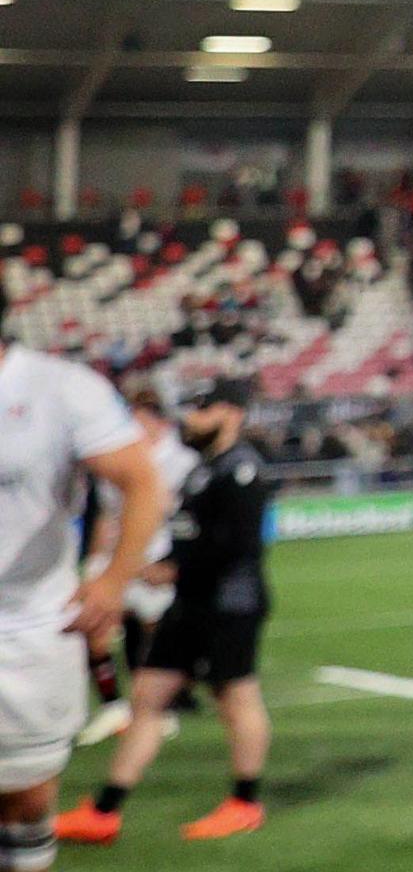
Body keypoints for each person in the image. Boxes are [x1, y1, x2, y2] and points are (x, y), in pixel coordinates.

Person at [55, 379, 269, 844]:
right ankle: (104, 811)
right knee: (147, 699)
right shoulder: (202, 469)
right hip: (189, 602)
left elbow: (235, 547)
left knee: (237, 700)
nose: (190, 418)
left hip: (228, 605)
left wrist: (171, 570)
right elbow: (190, 536)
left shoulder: (243, 469)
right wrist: (164, 568)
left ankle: (245, 803)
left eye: (202, 408)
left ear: (231, 413)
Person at [0, 339, 167, 872]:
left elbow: (141, 481)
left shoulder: (62, 387)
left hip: (25, 628)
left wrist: (113, 581)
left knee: (24, 798)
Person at [73, 385, 199, 749]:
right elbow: (107, 515)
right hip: (118, 557)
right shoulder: (115, 458)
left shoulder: (181, 460)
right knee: (95, 628)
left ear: (157, 420)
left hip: (157, 557)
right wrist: (94, 563)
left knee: (156, 634)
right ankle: (113, 705)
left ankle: (158, 708)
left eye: (139, 418)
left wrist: (172, 563)